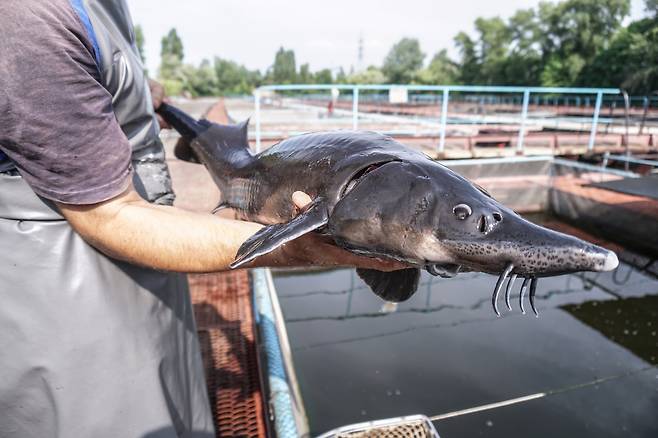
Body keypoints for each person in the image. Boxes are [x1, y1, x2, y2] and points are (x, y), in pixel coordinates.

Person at [0, 1, 399, 437]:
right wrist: (298, 247)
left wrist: (127, 84)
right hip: (65, 297)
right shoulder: (26, 14)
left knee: (173, 398)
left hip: (142, 265)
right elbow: (110, 215)